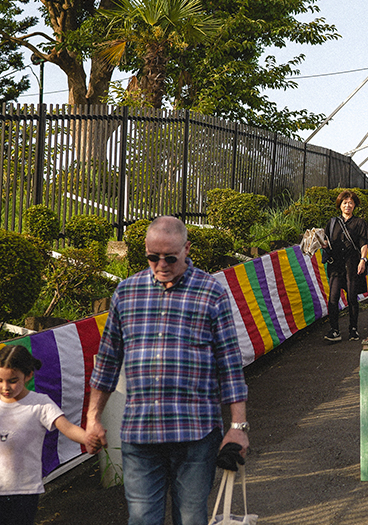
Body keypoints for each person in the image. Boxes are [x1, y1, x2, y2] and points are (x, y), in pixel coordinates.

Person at [86, 215, 249, 525]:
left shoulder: (210, 292)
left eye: (170, 257)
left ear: (187, 249)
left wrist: (238, 427)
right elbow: (107, 362)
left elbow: (229, 364)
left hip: (196, 434)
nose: (161, 265)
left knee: (191, 519)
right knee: (142, 519)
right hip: (141, 434)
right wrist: (93, 418)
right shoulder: (126, 293)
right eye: (153, 257)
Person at [1, 345, 95, 525]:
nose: (5, 387)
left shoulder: (40, 404)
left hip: (23, 490)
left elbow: (67, 428)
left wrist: (88, 438)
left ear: (28, 375)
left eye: (12, 381)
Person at [323, 190, 368, 342]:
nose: (347, 205)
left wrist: (363, 260)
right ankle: (334, 330)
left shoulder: (360, 223)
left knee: (352, 297)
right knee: (333, 297)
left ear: (355, 205)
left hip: (352, 264)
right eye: (344, 203)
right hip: (335, 265)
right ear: (340, 205)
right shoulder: (332, 223)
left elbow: (364, 244)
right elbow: (326, 242)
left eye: (350, 203)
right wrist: (321, 243)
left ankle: (353, 329)